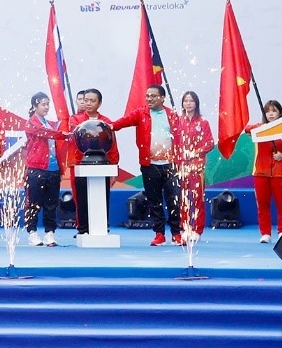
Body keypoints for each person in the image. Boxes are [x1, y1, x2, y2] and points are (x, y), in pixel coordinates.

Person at [112, 84, 185, 246]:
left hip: (171, 165)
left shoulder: (172, 115)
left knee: (174, 200)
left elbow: (181, 138)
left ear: (162, 98)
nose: (149, 99)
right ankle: (159, 234)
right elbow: (123, 122)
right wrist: (109, 126)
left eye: (153, 96)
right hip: (149, 164)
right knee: (154, 200)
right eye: (147, 96)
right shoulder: (141, 113)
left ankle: (176, 234)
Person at [64, 88, 119, 236]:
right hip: (80, 163)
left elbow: (112, 144)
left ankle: (101, 226)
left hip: (102, 164)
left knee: (103, 196)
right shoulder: (75, 120)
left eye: (92, 101)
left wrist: (114, 165)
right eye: (85, 100)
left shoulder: (106, 122)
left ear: (99, 103)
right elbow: (74, 138)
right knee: (81, 197)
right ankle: (83, 229)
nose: (88, 103)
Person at [247, 101, 282, 242]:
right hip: (260, 172)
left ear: (280, 113)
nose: (271, 114)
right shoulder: (260, 129)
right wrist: (263, 127)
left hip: (280, 173)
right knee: (262, 203)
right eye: (268, 111)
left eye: (274, 111)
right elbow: (247, 129)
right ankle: (265, 233)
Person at [23, 93, 63, 247]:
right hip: (36, 168)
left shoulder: (49, 124)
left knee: (52, 203)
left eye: (48, 104)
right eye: (43, 104)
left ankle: (49, 233)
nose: (46, 107)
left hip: (53, 169)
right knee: (33, 202)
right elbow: (44, 133)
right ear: (34, 106)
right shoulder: (32, 123)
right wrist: (64, 135)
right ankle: (32, 232)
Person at [177, 91, 213, 238]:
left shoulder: (203, 122)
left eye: (191, 101)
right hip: (182, 167)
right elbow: (173, 141)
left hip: (197, 167)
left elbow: (210, 143)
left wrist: (195, 152)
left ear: (196, 103)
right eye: (186, 101)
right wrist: (181, 153)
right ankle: (185, 228)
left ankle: (197, 229)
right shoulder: (178, 121)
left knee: (197, 199)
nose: (188, 103)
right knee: (183, 198)